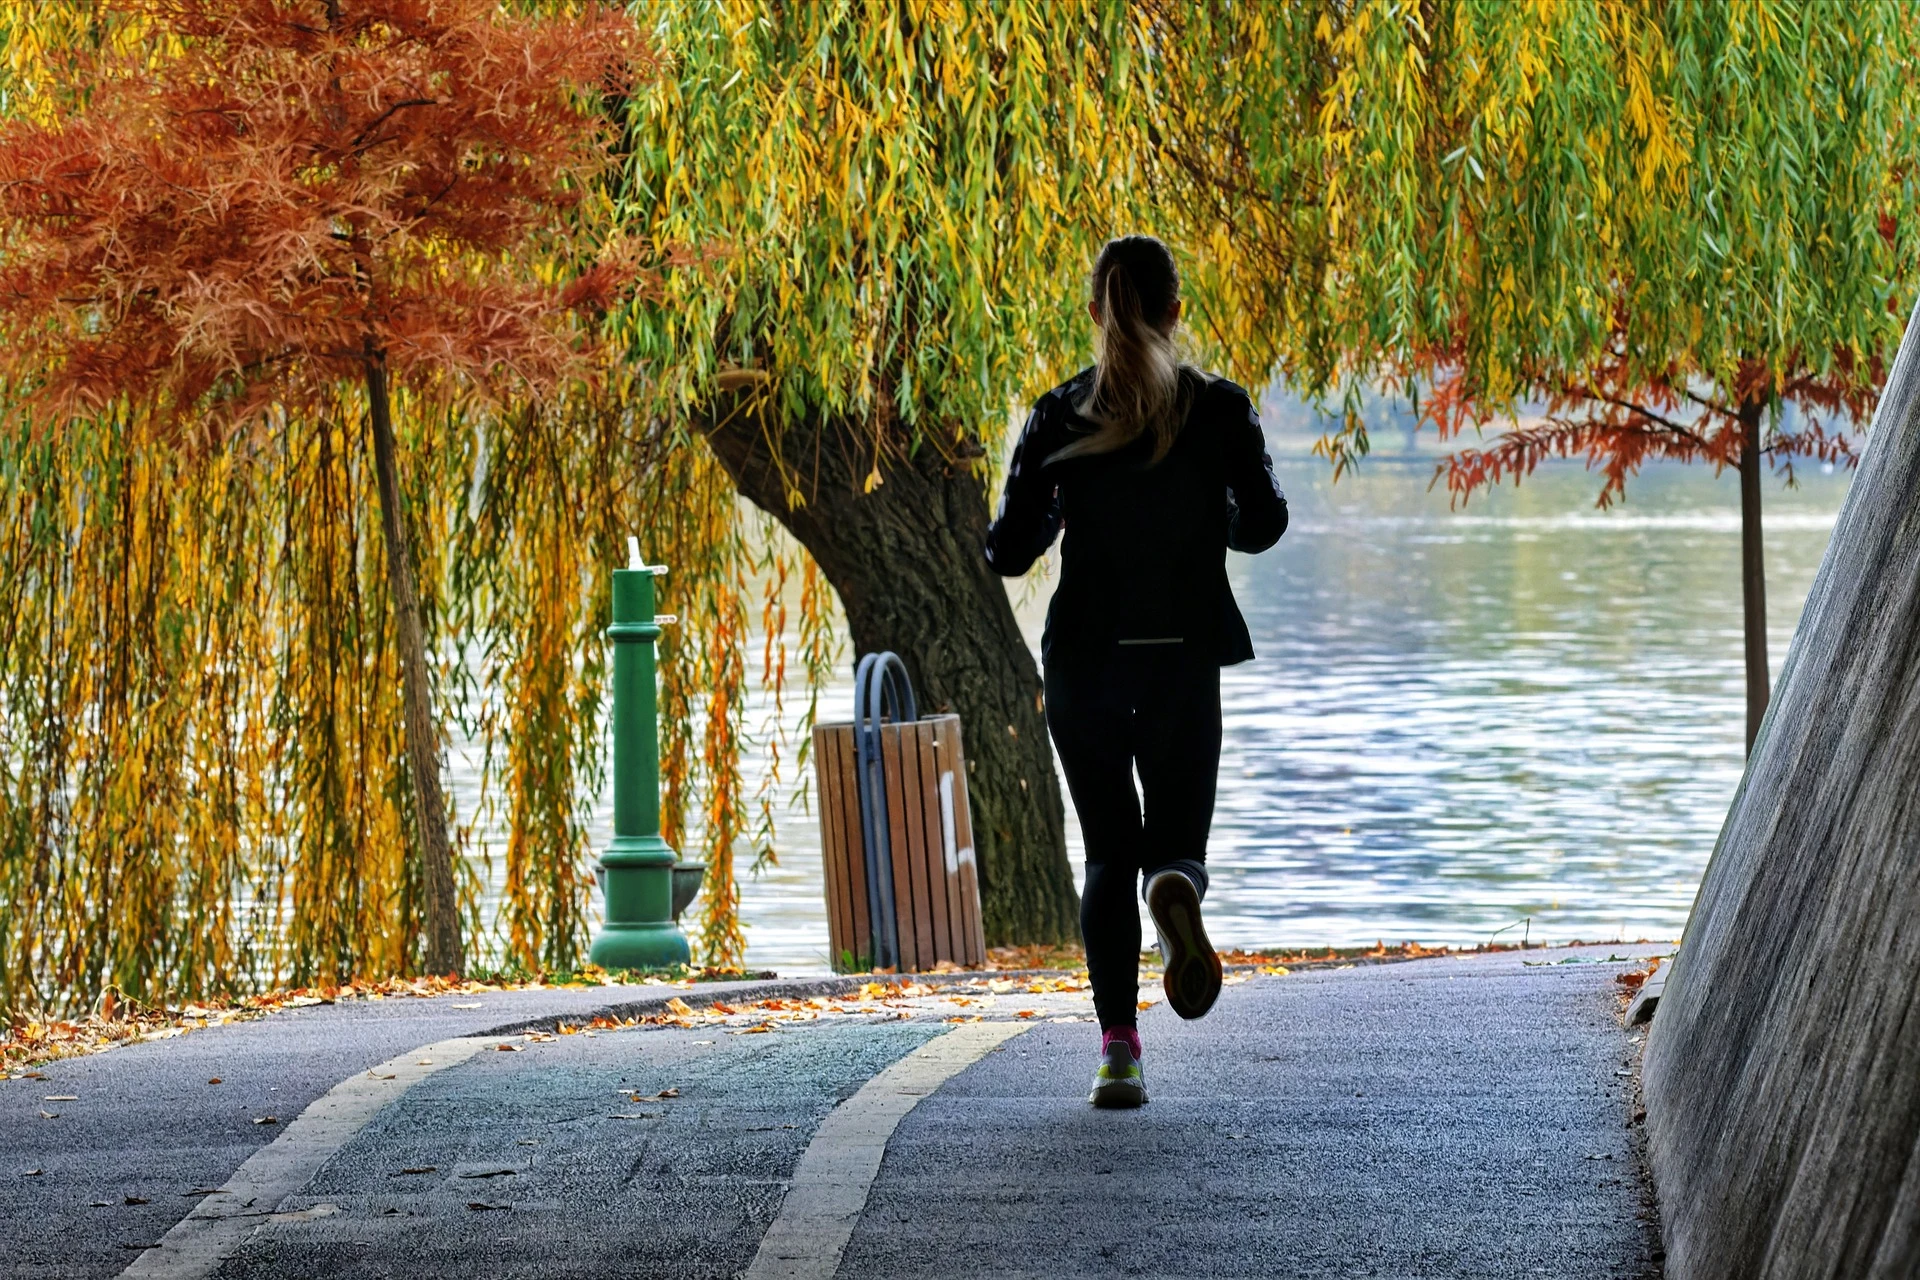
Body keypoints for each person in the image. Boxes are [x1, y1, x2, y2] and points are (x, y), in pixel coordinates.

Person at [984, 234, 1288, 1108]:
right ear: (1174, 311)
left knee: (1106, 854)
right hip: (1183, 658)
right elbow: (1263, 524)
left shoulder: (1058, 414)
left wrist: (1041, 515)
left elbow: (1012, 550)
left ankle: (1119, 1051)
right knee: (1173, 845)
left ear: (1095, 313)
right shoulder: (1220, 409)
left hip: (1085, 661)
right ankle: (1178, 886)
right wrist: (1205, 511)